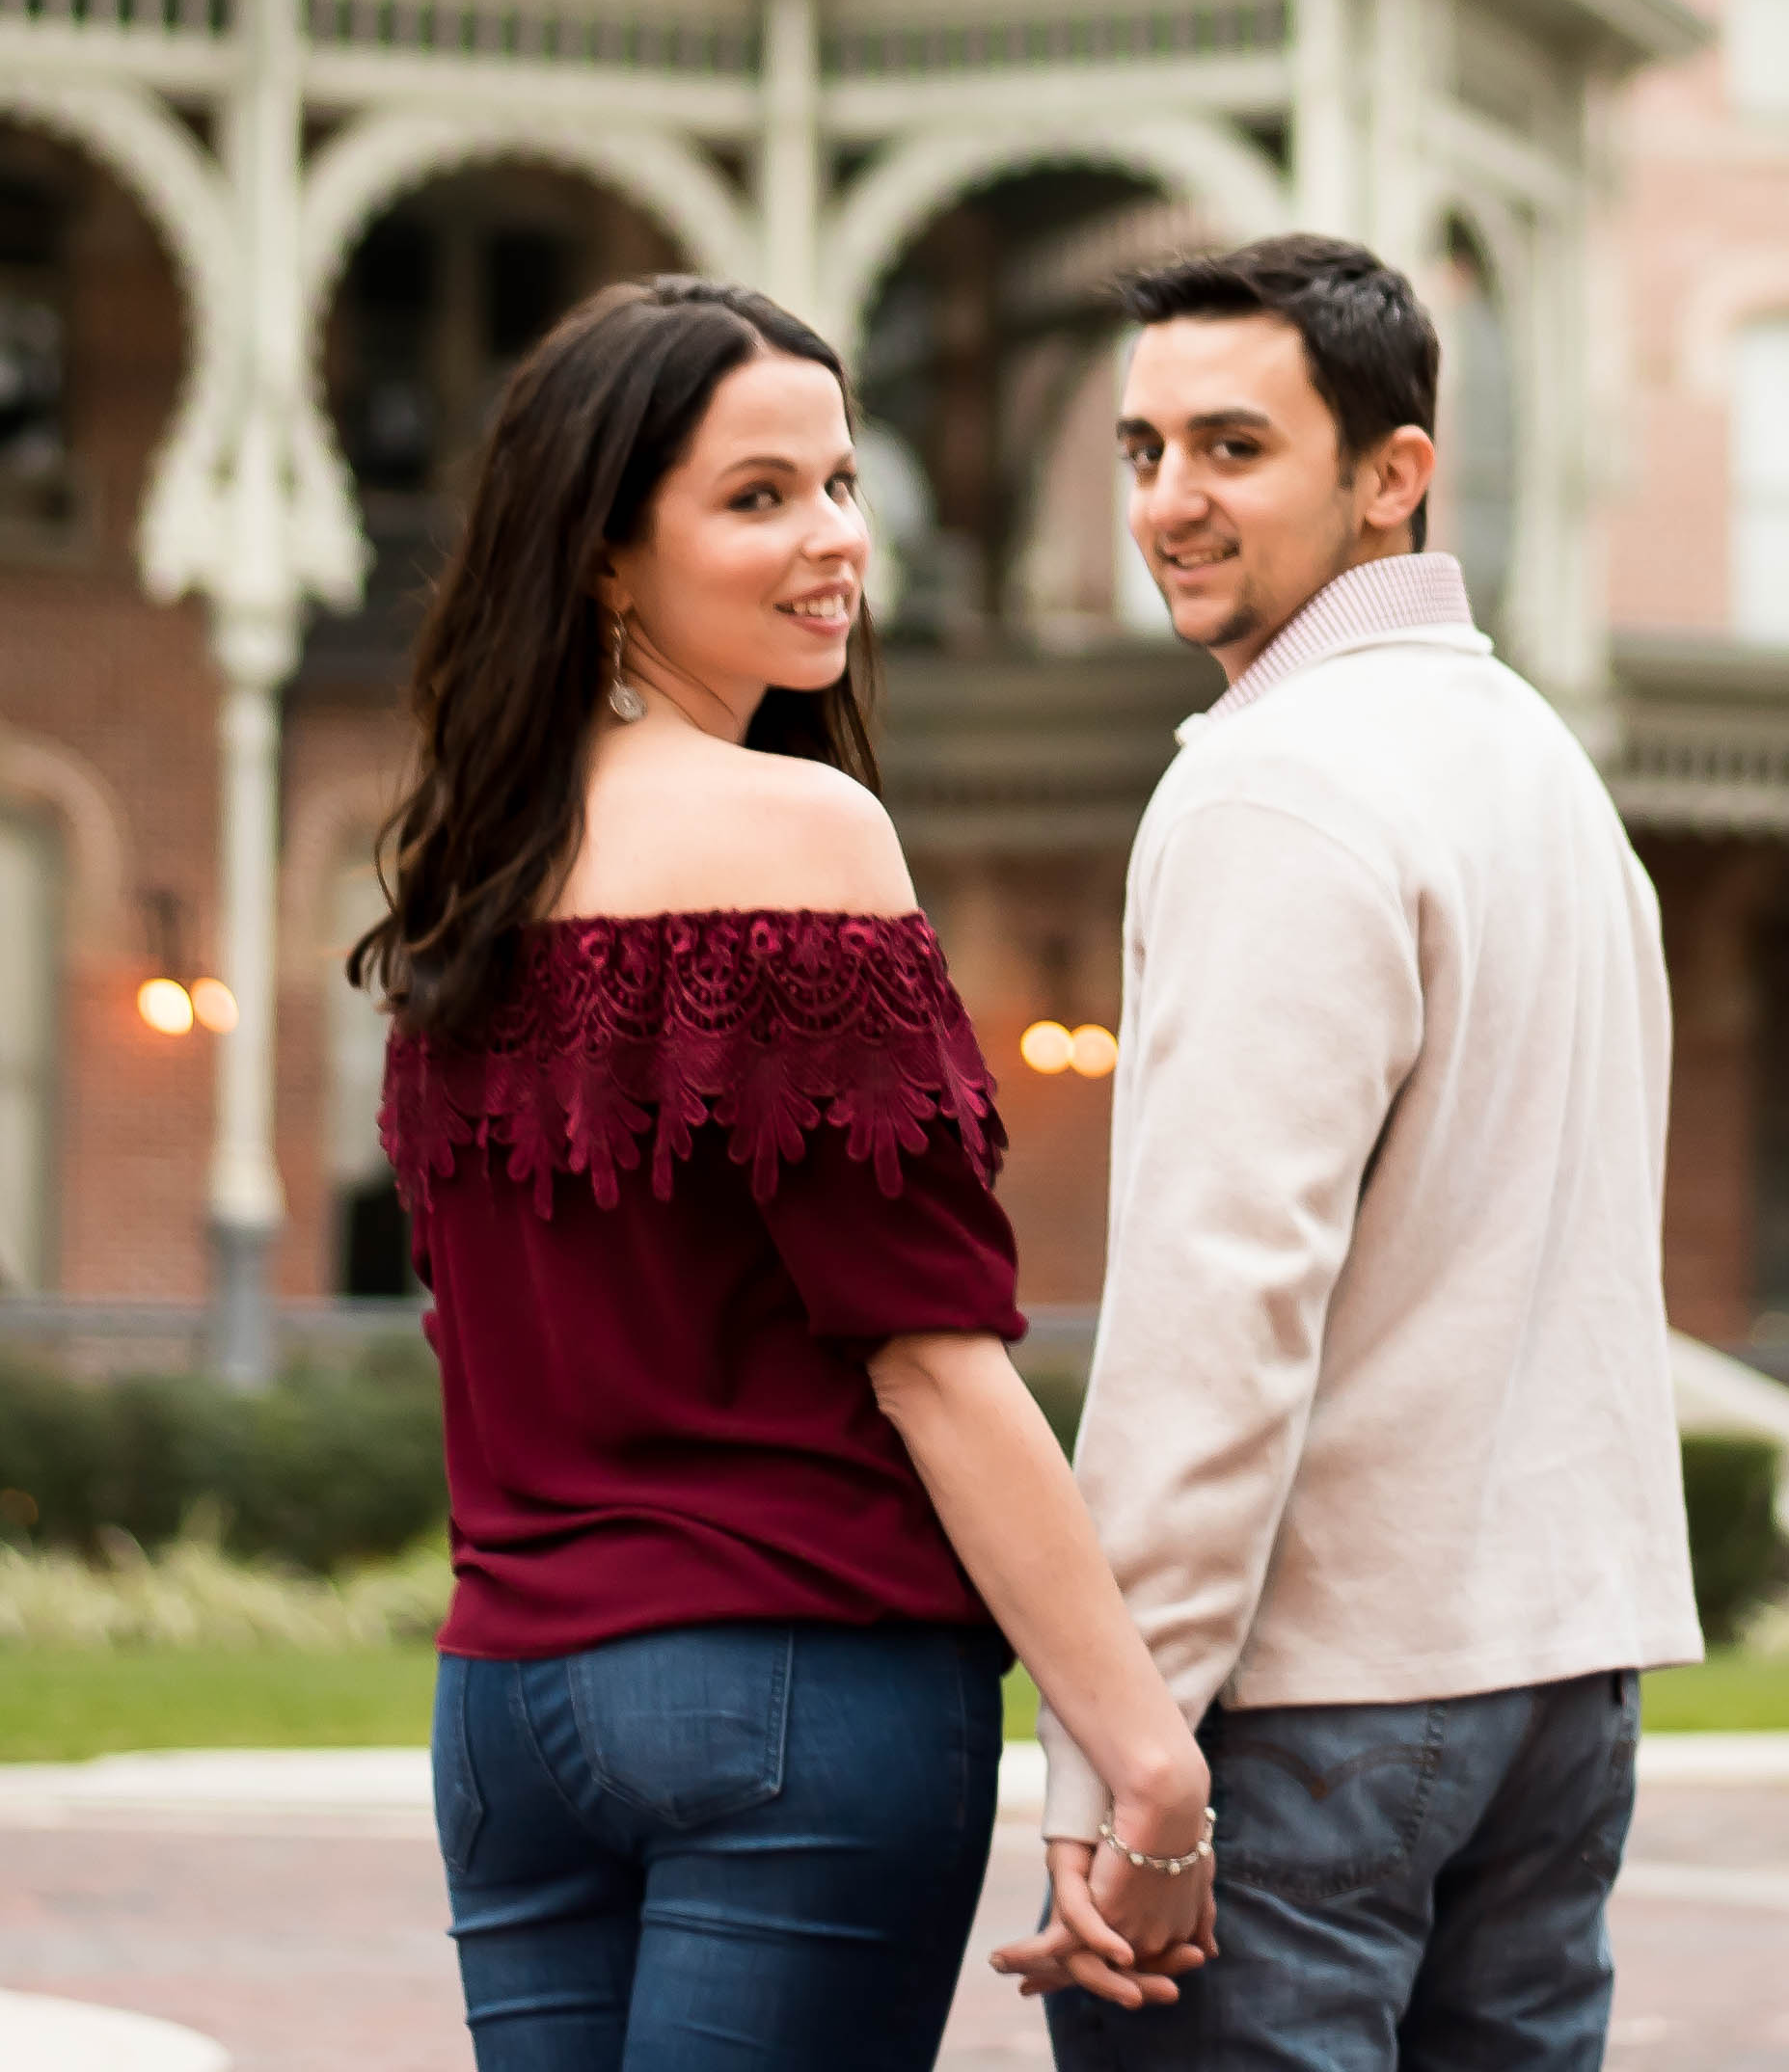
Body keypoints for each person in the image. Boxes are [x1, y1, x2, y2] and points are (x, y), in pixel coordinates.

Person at [363, 274, 1223, 2070]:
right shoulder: (801, 834)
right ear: (607, 557)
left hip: (508, 1706)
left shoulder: (472, 877)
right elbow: (928, 1356)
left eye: (844, 484)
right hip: (789, 1687)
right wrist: (1149, 1763)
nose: (835, 541)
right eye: (758, 498)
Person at [1004, 232, 1695, 2067]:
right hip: (1558, 1687)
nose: (1171, 502)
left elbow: (1216, 1314)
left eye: (1233, 448)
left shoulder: (1274, 782)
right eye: (1143, 450)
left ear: (1392, 476)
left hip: (1324, 1711)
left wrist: (1116, 1755)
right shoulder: (1548, 770)